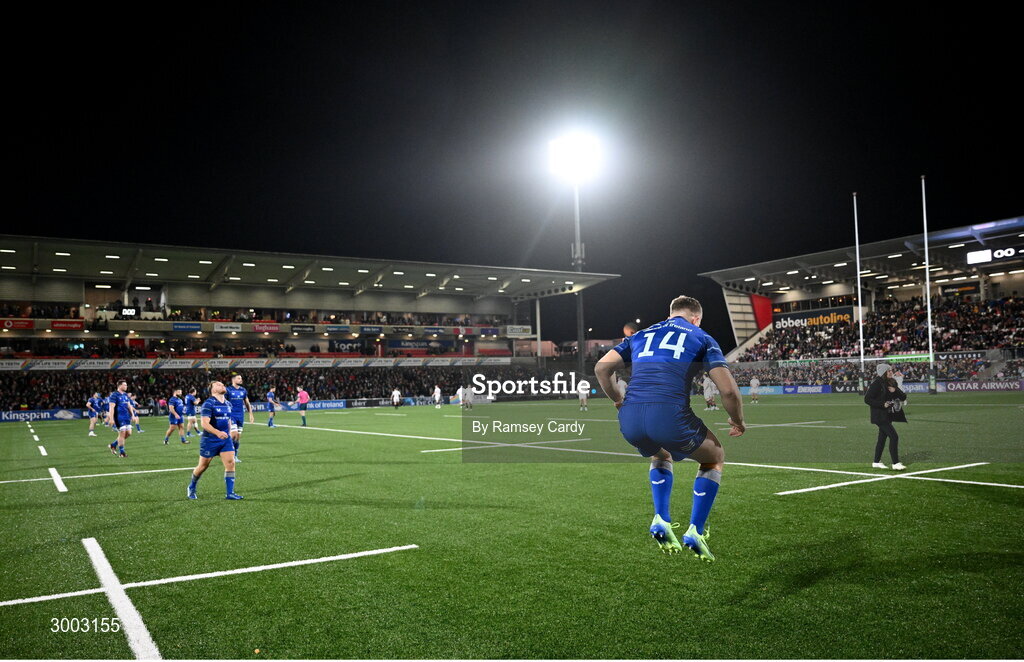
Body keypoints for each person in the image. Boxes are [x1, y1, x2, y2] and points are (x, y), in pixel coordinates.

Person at [595, 295, 745, 562]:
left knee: (660, 454)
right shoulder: (701, 336)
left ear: (670, 315)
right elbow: (729, 391)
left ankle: (661, 519)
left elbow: (601, 368)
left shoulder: (642, 334)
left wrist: (618, 399)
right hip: (668, 414)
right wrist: (737, 420)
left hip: (630, 418)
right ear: (696, 318)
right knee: (714, 457)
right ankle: (695, 531)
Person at [187, 380, 242, 500]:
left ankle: (230, 493)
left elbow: (228, 420)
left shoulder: (228, 404)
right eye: (218, 384)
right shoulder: (208, 403)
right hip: (210, 440)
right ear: (212, 389)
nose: (222, 385)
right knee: (202, 466)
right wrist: (218, 433)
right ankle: (192, 486)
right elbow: (204, 424)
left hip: (225, 439)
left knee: (231, 463)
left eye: (223, 384)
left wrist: (230, 431)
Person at [864, 363, 907, 470]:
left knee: (882, 439)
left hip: (888, 415)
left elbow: (903, 397)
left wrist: (895, 390)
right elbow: (867, 399)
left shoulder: (892, 382)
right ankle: (895, 463)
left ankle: (876, 462)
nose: (891, 372)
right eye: (888, 371)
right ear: (883, 373)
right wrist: (882, 404)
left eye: (891, 370)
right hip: (879, 416)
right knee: (894, 436)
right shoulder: (877, 383)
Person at [225, 374, 254, 462]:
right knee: (234, 434)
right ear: (233, 379)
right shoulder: (228, 390)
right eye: (239, 378)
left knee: (238, 437)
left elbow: (247, 402)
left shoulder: (243, 390)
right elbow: (223, 401)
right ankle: (228, 453)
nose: (241, 379)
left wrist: (251, 414)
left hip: (240, 416)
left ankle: (235, 456)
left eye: (241, 378)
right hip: (231, 415)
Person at [107, 380, 136, 458]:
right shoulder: (114, 395)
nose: (126, 386)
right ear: (120, 386)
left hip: (126, 416)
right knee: (122, 434)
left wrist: (132, 415)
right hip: (119, 417)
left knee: (129, 433)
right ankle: (122, 452)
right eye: (125, 385)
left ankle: (113, 445)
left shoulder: (126, 395)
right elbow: (111, 407)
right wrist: (111, 418)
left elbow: (129, 405)